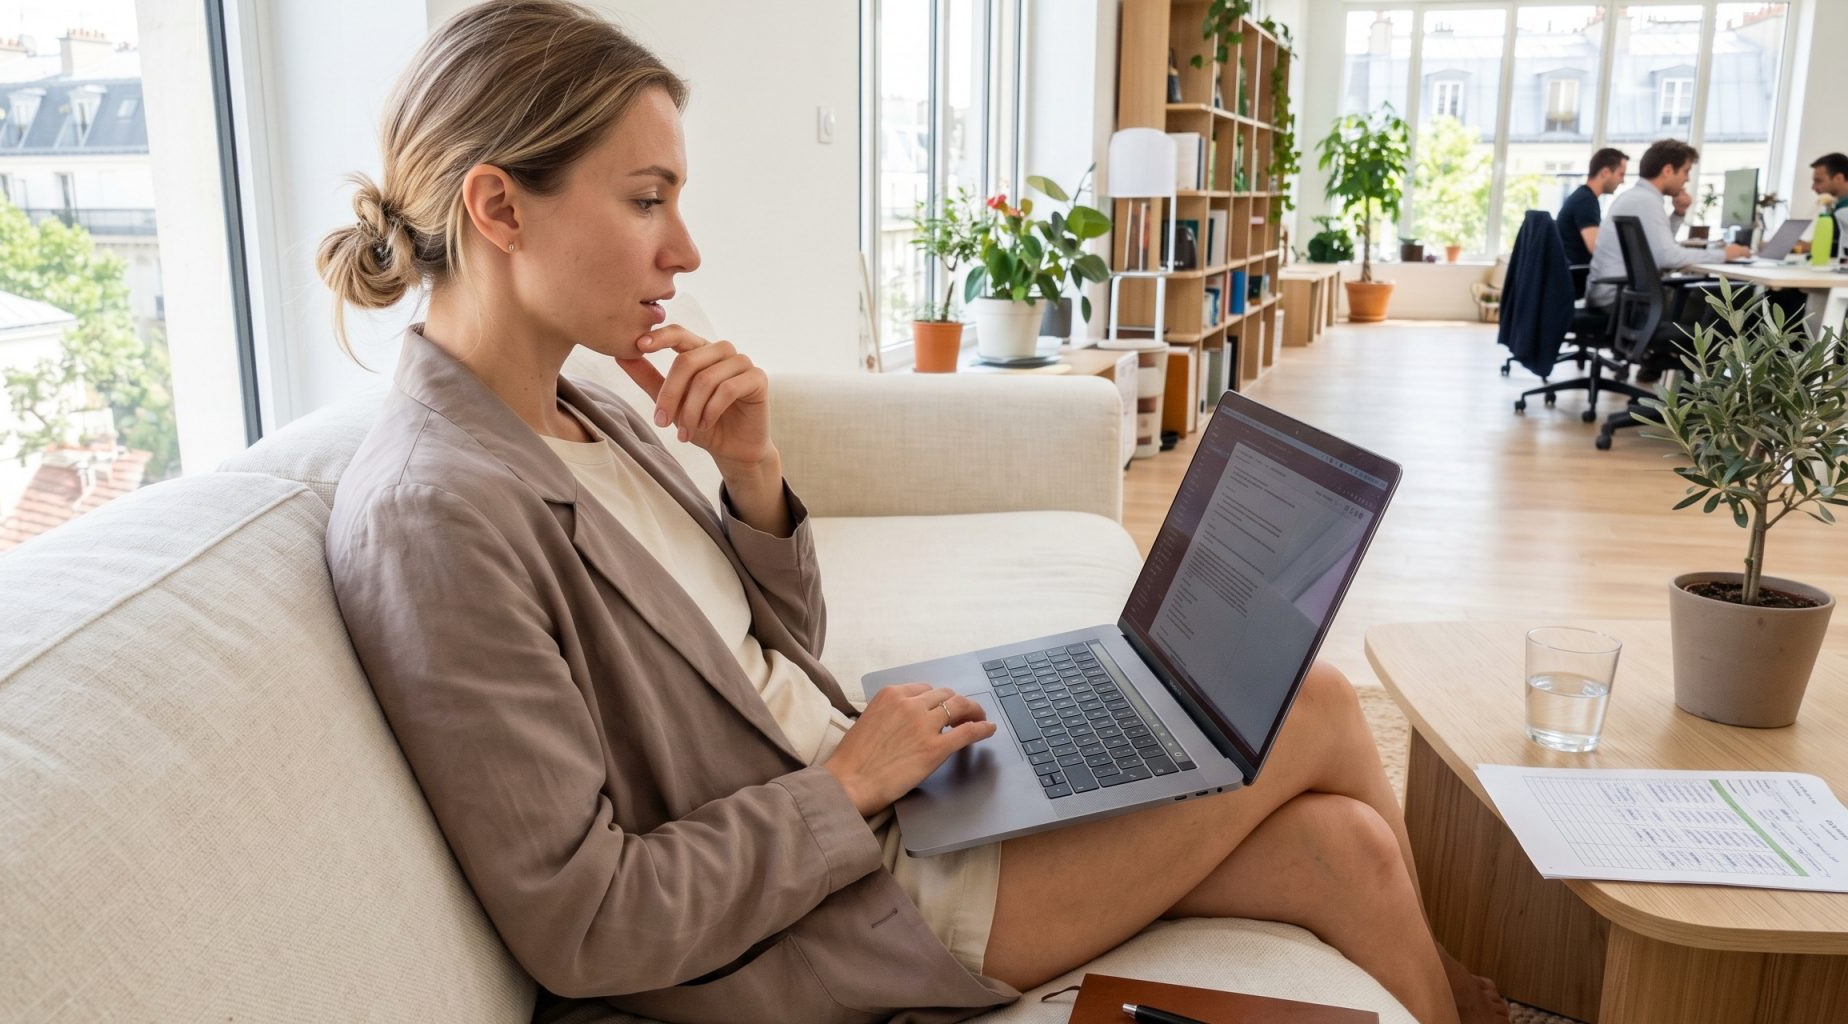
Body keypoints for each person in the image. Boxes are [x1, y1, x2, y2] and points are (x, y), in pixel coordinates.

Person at [316, 4, 1509, 1024]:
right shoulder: (436, 514)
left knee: (1346, 849)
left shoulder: (579, 403)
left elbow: (765, 657)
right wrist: (847, 783)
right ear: (499, 207)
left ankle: (1465, 998)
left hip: (891, 800)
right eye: (646, 200)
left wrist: (753, 479)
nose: (685, 248)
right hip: (840, 901)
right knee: (1310, 702)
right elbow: (588, 921)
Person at [1586, 139, 1749, 313]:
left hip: (1617, 296)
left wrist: (1678, 213)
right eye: (1686, 171)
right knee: (1735, 301)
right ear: (1668, 170)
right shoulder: (1647, 201)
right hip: (1623, 302)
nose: (1687, 178)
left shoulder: (1634, 197)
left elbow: (1656, 247)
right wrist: (1725, 254)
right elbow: (1667, 256)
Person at [1555, 147, 1628, 267]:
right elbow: (1596, 248)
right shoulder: (1586, 201)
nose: (1622, 181)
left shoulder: (1583, 196)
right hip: (1578, 274)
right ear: (1605, 172)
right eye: (1621, 174)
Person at [1793, 152, 1848, 258]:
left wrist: (1797, 247)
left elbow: (1835, 247)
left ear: (1839, 178)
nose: (1813, 187)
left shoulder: (1844, 210)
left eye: (1818, 181)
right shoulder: (1836, 207)